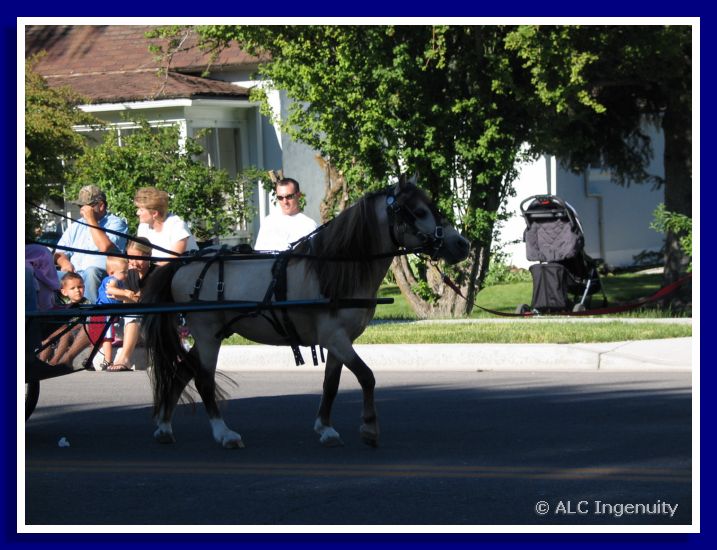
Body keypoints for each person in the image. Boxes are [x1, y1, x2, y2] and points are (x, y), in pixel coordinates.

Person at [55, 185, 128, 303]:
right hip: (74, 274)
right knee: (45, 274)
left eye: (86, 207)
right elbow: (59, 252)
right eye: (80, 206)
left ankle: (90, 312)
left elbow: (105, 247)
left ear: (101, 205)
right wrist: (65, 263)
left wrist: (91, 220)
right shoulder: (76, 225)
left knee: (91, 272)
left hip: (101, 274)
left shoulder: (116, 223)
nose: (82, 211)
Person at [104, 237, 154, 371]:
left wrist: (126, 295)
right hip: (128, 326)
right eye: (130, 258)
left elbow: (144, 300)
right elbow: (113, 293)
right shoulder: (128, 273)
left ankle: (124, 359)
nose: (133, 263)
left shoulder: (157, 273)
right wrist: (128, 295)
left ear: (149, 255)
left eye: (138, 258)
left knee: (133, 312)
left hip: (151, 325)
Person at [134, 187, 198, 265]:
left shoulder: (177, 226)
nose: (137, 213)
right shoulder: (143, 227)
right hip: (157, 270)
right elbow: (140, 255)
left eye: (141, 210)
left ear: (154, 213)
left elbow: (173, 260)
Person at [254, 177, 319, 251]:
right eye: (280, 197)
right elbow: (259, 252)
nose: (285, 202)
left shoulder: (309, 225)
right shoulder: (268, 223)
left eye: (289, 196)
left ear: (299, 195)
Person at [39, 272, 90, 364]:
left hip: (75, 333)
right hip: (62, 331)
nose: (77, 290)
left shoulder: (87, 304)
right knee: (48, 338)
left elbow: (86, 323)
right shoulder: (62, 305)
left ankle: (54, 362)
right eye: (72, 288)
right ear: (64, 292)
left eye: (80, 287)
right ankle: (40, 362)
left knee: (65, 334)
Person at [91, 256, 130, 370]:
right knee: (106, 337)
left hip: (105, 312)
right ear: (112, 272)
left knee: (99, 337)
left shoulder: (119, 281)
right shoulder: (112, 279)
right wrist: (126, 293)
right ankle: (108, 360)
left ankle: (90, 358)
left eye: (127, 271)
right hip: (105, 312)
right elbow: (110, 289)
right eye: (123, 272)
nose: (126, 274)